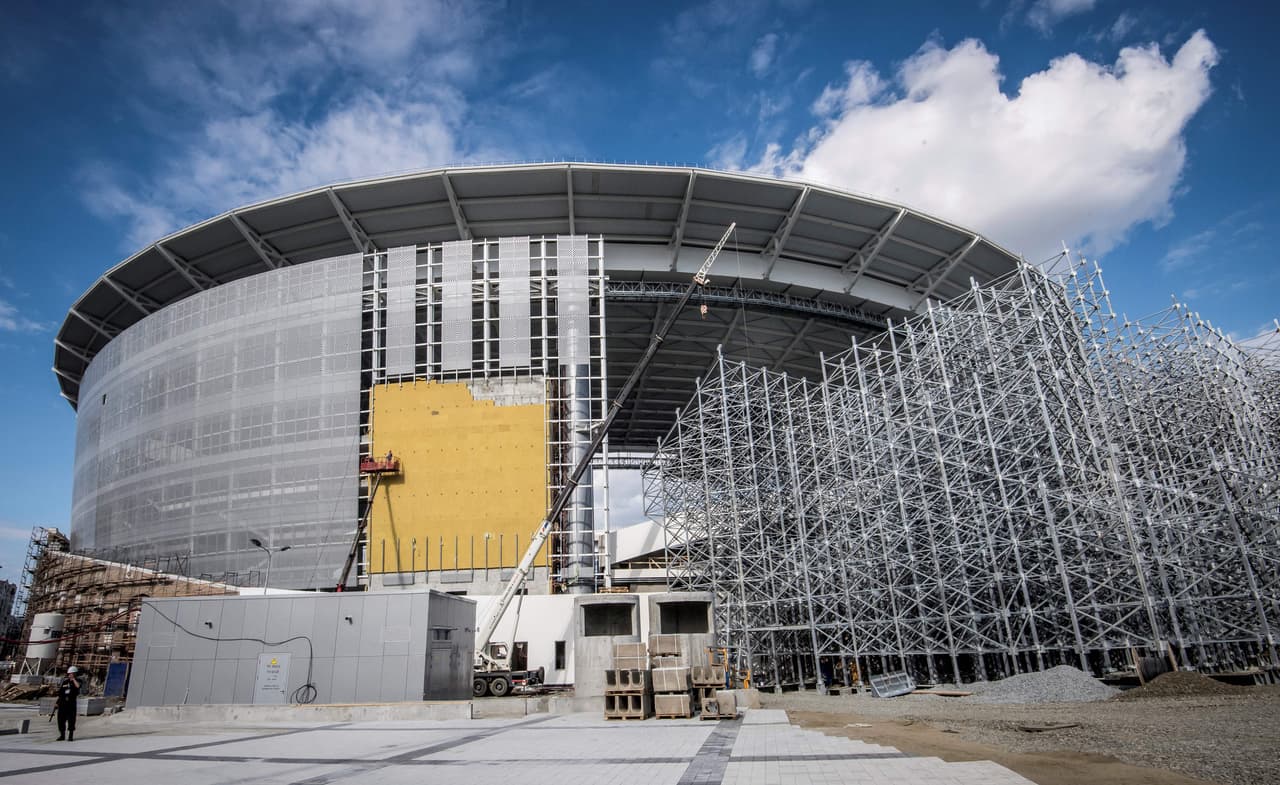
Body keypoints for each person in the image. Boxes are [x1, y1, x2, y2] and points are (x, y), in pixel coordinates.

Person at [55, 666, 80, 741]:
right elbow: (61, 693)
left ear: (75, 674)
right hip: (63, 703)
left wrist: (73, 680)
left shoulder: (78, 681)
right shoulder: (65, 682)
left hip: (71, 704)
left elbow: (78, 686)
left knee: (71, 720)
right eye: (69, 674)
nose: (70, 675)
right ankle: (62, 735)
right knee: (61, 720)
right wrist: (57, 702)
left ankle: (70, 735)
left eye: (72, 674)